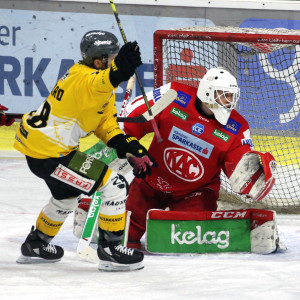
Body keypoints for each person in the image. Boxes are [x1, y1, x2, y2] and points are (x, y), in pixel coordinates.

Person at [74, 67, 276, 249]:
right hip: (150, 180)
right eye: (223, 95)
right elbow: (135, 117)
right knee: (124, 236)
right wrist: (124, 141)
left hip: (196, 192)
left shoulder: (237, 127)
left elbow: (240, 169)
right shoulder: (173, 95)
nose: (228, 102)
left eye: (232, 96)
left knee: (191, 241)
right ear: (207, 92)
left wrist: (254, 177)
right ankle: (94, 213)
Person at [13, 30, 156, 271]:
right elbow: (103, 80)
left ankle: (36, 245)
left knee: (66, 198)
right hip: (51, 155)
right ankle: (110, 250)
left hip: (45, 151)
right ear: (98, 61)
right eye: (111, 57)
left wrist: (130, 148)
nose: (113, 60)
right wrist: (120, 69)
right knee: (116, 185)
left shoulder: (99, 88)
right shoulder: (84, 78)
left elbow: (105, 125)